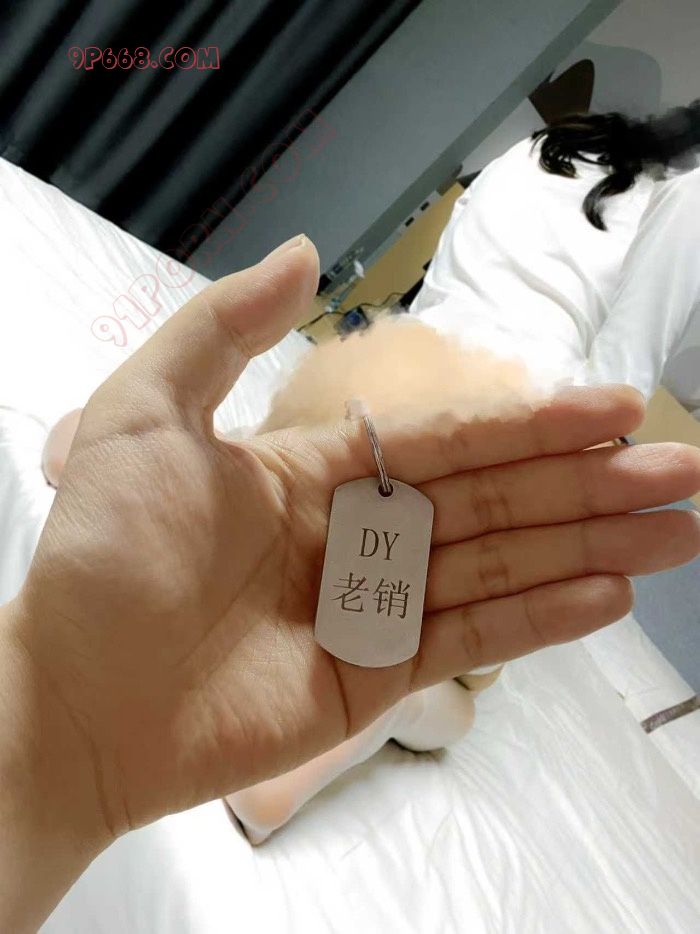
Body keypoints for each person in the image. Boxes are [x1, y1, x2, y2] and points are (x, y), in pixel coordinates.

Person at [2, 235, 700, 931]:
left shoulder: (531, 176)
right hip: (502, 425)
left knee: (286, 475)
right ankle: (395, 704)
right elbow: (621, 373)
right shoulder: (677, 209)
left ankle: (178, 472)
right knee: (459, 685)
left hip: (390, 375)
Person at [412, 102, 700, 414]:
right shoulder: (685, 199)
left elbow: (453, 240)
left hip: (407, 357)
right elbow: (619, 385)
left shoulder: (548, 145)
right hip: (506, 402)